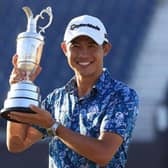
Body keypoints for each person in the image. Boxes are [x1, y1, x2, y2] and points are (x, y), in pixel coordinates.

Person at [7, 15, 139, 168]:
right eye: (75, 46)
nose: (83, 54)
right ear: (65, 49)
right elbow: (17, 143)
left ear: (105, 49)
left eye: (91, 46)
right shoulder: (56, 99)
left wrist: (54, 126)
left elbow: (103, 153)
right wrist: (18, 89)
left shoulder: (122, 95)